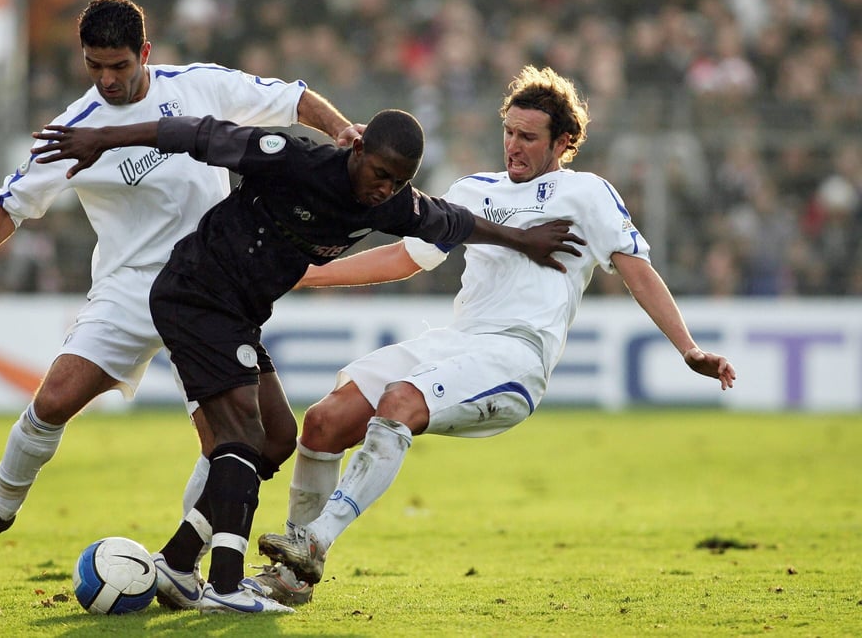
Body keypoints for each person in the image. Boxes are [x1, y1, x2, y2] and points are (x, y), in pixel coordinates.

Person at [29, 107, 585, 613]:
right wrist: (103, 137)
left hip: (238, 313)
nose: (383, 189)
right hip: (195, 293)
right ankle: (224, 589)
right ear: (358, 150)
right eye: (378, 173)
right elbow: (194, 134)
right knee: (239, 439)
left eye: (397, 181)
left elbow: (454, 222)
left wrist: (523, 240)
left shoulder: (391, 201)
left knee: (275, 439)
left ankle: (176, 564)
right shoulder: (293, 157)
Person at [255, 65, 737, 602]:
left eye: (528, 137)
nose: (513, 145)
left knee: (399, 401)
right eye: (508, 132)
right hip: (458, 341)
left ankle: (315, 542)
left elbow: (637, 269)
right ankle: (289, 580)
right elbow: (406, 257)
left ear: (565, 141)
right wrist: (306, 273)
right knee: (323, 422)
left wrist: (688, 348)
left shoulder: (587, 193)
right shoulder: (472, 190)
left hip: (516, 358)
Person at [0, 0, 365, 574]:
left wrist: (342, 131)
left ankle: (181, 558)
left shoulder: (199, 85)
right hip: (130, 288)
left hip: (212, 286)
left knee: (263, 439)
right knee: (54, 398)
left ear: (145, 54)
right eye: (95, 66)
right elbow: (10, 205)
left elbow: (292, 98)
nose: (107, 79)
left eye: (119, 66)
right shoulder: (74, 129)